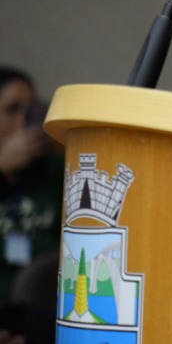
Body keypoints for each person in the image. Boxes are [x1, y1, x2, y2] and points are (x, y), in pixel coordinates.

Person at [0, 68, 62, 340]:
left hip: (40, 310)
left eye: (31, 109)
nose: (25, 120)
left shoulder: (57, 169)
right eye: (12, 109)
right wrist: (3, 171)